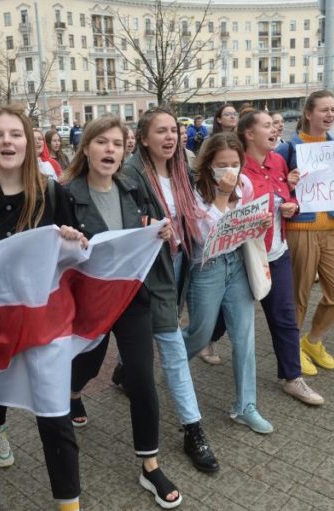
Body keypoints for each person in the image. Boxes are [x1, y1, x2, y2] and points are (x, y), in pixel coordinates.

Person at [0, 105, 86, 511]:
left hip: (47, 320)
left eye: (16, 134)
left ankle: (69, 504)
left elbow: (81, 246)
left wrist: (75, 237)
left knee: (54, 411)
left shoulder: (52, 192)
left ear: (29, 143)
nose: (7, 141)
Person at [63, 116, 186, 509]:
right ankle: (73, 392)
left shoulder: (132, 188)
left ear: (125, 150)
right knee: (88, 363)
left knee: (141, 377)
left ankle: (149, 465)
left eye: (118, 143)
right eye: (102, 142)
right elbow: (54, 250)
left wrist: (158, 231)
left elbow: (145, 225)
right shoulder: (65, 194)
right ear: (87, 148)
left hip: (132, 297)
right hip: (90, 302)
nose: (110, 150)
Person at [122, 107, 220, 476]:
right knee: (174, 351)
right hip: (148, 274)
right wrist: (144, 226)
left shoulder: (182, 171)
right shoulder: (130, 174)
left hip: (179, 263)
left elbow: (196, 211)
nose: (169, 138)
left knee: (150, 341)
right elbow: (123, 219)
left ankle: (120, 372)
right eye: (160, 131)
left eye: (174, 131)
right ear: (143, 138)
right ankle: (193, 429)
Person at [182, 131, 276, 433]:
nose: (230, 171)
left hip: (235, 264)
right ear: (208, 164)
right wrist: (222, 195)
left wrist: (257, 224)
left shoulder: (244, 184)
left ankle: (245, 405)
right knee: (200, 333)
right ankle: (167, 363)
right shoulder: (195, 189)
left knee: (244, 337)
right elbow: (205, 233)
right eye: (222, 164)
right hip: (206, 268)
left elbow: (243, 225)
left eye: (235, 163)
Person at [237, 110, 325, 406]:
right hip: (243, 258)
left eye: (276, 126)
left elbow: (289, 197)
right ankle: (207, 341)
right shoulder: (235, 166)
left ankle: (292, 378)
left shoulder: (278, 161)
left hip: (276, 253)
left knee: (285, 318)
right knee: (227, 321)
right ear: (249, 134)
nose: (275, 129)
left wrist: (291, 205)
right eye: (267, 126)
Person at [275, 90, 334, 378]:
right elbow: (273, 188)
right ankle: (292, 350)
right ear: (308, 114)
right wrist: (287, 185)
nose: (330, 114)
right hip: (301, 230)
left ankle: (313, 340)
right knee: (298, 295)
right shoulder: (289, 149)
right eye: (324, 110)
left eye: (333, 109)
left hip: (333, 229)